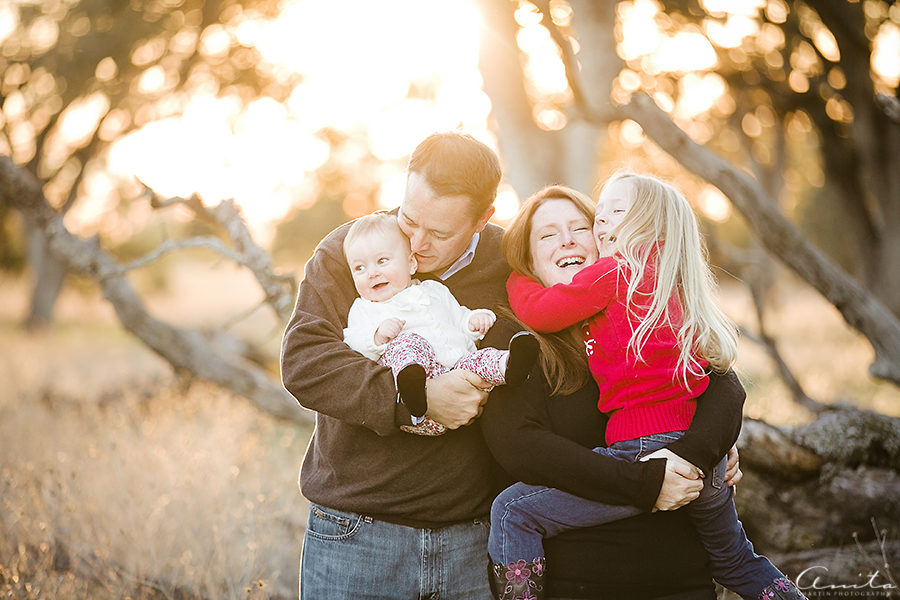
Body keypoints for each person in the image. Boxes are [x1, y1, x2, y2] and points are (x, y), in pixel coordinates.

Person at [281, 133, 745, 600]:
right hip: (358, 531)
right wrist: (411, 400)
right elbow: (305, 360)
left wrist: (701, 442)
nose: (416, 244)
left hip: (470, 538)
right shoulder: (358, 251)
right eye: (408, 219)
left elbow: (683, 359)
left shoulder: (514, 262)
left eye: (439, 233)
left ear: (483, 219)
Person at [487, 175, 805, 600]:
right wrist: (682, 463)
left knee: (510, 511)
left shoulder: (617, 276)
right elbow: (519, 444)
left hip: (651, 459)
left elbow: (723, 383)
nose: (569, 239)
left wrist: (699, 449)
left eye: (582, 227)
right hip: (615, 547)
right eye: (547, 234)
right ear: (529, 256)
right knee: (737, 560)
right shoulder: (658, 288)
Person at [341, 212, 539, 436]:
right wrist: (377, 336)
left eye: (382, 261)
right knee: (408, 342)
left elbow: (458, 317)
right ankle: (412, 386)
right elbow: (353, 342)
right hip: (420, 408)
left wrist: (474, 321)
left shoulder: (434, 291)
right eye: (359, 268)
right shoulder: (365, 308)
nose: (372, 273)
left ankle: (511, 366)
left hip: (457, 374)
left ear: (411, 263)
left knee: (479, 359)